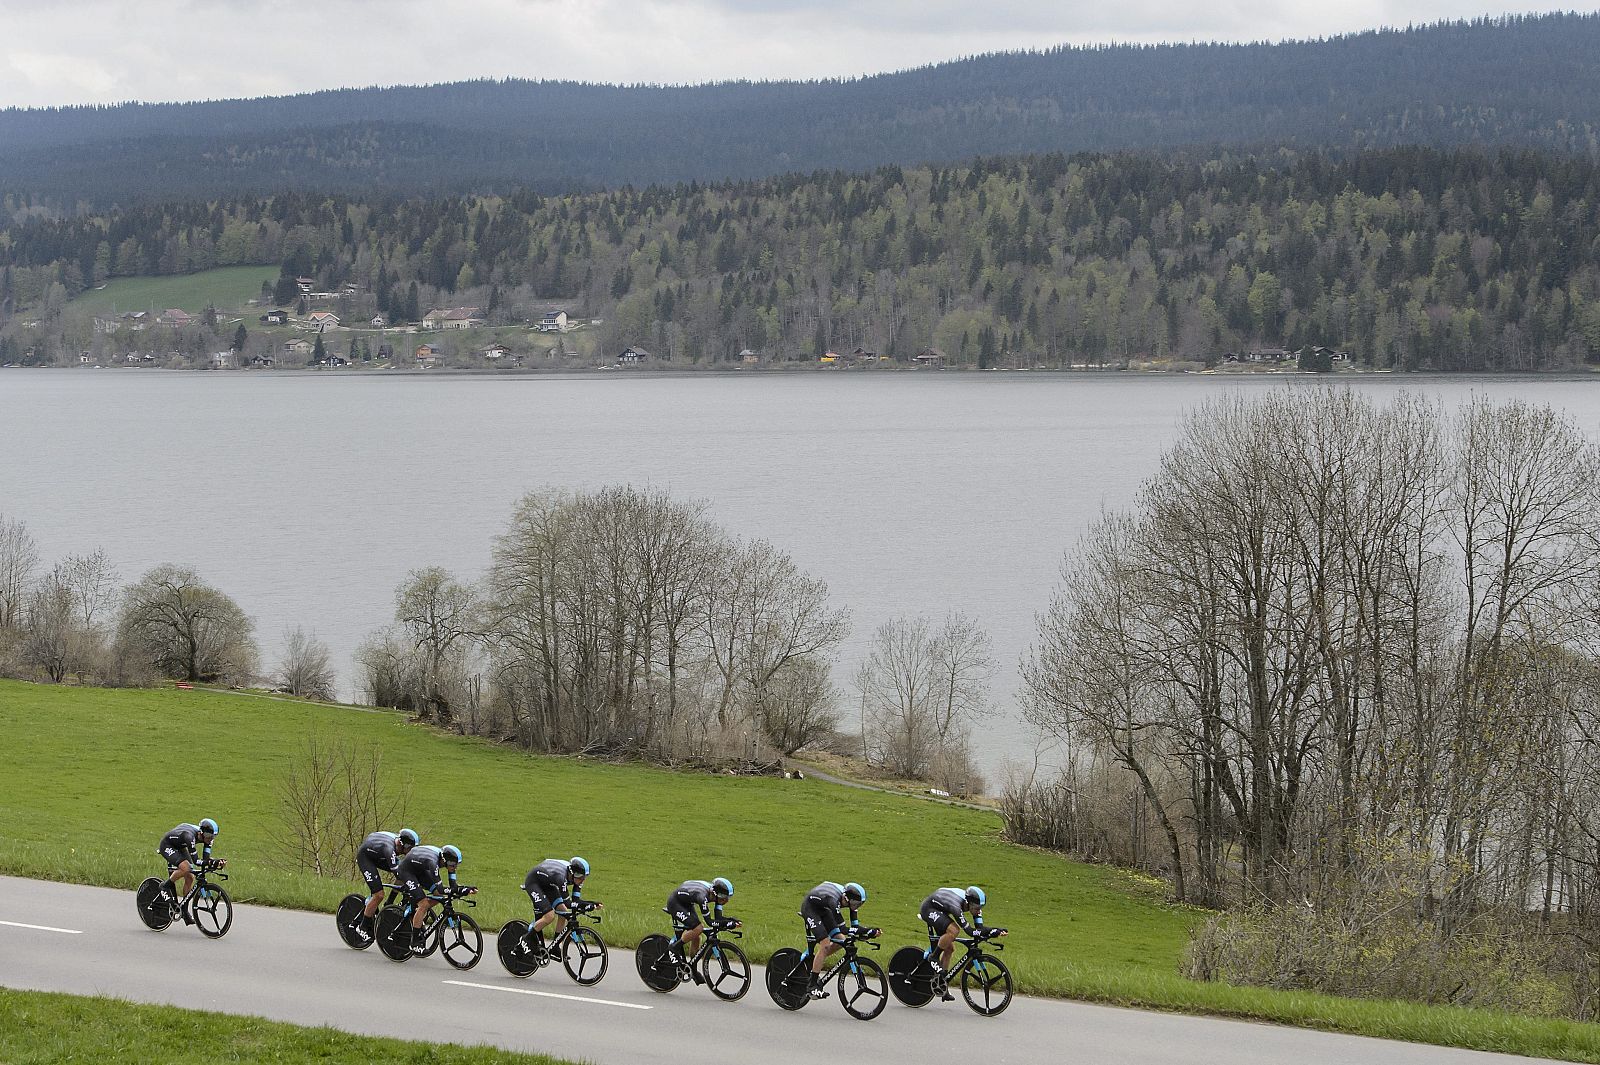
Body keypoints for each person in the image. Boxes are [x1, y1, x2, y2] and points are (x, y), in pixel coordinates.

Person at [919, 885, 1005, 1001]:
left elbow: (979, 929)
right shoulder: (956, 906)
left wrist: (995, 931)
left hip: (942, 909)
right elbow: (970, 931)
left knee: (950, 949)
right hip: (929, 908)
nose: (978, 910)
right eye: (976, 907)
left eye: (981, 907)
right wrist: (991, 931)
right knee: (954, 930)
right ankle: (933, 957)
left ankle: (942, 985)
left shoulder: (974, 906)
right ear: (968, 903)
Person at [799, 881, 873, 999]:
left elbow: (854, 928)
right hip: (810, 908)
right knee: (825, 945)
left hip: (823, 908)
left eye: (859, 904)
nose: (855, 907)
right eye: (855, 904)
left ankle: (814, 960)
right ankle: (812, 987)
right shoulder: (833, 901)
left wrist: (869, 931)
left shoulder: (850, 901)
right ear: (847, 898)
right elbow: (843, 929)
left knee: (841, 942)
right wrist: (865, 931)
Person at [395, 843, 470, 954]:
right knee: (424, 904)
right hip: (407, 871)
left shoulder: (448, 862)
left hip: (419, 869)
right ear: (444, 860)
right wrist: (459, 890)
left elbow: (452, 886)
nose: (454, 867)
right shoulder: (433, 863)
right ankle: (414, 943)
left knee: (439, 897)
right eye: (453, 864)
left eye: (456, 864)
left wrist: (464, 889)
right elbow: (440, 888)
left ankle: (417, 913)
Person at [347, 827, 419, 941]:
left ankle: (388, 904)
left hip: (377, 853)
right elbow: (398, 874)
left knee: (405, 871)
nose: (410, 851)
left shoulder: (399, 844)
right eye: (409, 848)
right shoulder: (389, 849)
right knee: (379, 895)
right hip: (366, 857)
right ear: (401, 844)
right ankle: (362, 927)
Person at [520, 856, 597, 960]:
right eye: (580, 877)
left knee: (563, 912)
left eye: (584, 877)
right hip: (534, 882)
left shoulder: (577, 879)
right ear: (571, 873)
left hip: (548, 883)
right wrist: (587, 906)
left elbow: (576, 901)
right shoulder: (561, 877)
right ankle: (525, 940)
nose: (582, 880)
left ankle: (555, 947)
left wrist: (592, 904)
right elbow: (569, 903)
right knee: (549, 916)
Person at [664, 877, 736, 982]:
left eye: (728, 897)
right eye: (724, 897)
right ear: (716, 894)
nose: (726, 901)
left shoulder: (715, 896)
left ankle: (693, 969)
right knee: (699, 928)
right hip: (675, 903)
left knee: (696, 937)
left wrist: (731, 921)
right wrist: (727, 924)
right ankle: (673, 948)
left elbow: (718, 919)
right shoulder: (702, 897)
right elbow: (710, 922)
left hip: (687, 902)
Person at [156, 819, 222, 924]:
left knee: (190, 877)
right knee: (186, 868)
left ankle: (184, 910)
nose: (211, 839)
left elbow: (206, 859)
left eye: (213, 837)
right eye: (209, 837)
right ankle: (164, 886)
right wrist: (211, 863)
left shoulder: (208, 838)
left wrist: (215, 863)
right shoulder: (189, 836)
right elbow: (197, 861)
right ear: (201, 833)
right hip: (167, 845)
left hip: (180, 845)